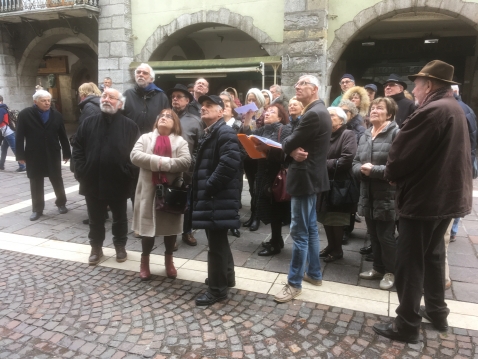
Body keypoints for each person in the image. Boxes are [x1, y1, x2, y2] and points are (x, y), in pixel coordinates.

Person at [373, 60, 473, 343]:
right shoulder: (453, 107)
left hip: (426, 200)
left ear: (428, 85)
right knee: (432, 257)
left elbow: (401, 156)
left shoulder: (431, 110)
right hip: (445, 198)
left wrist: (391, 175)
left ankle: (406, 324)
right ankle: (437, 312)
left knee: (410, 262)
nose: (413, 91)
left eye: (416, 85)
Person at [273, 75, 331, 303]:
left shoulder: (313, 114)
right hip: (311, 177)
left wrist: (290, 148)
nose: (297, 86)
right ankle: (314, 274)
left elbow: (286, 142)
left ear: (315, 88)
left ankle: (294, 283)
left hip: (305, 177)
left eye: (302, 84)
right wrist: (293, 149)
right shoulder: (319, 110)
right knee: (310, 229)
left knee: (299, 233)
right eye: (296, 84)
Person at [72, 88, 140, 265]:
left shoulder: (130, 125)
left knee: (120, 217)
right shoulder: (88, 123)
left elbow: (137, 153)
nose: (106, 99)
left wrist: (128, 172)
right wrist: (81, 170)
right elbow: (77, 147)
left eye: (111, 97)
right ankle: (96, 248)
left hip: (119, 180)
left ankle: (120, 246)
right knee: (95, 218)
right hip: (92, 179)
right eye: (104, 96)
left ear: (120, 104)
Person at [191, 95, 241, 306]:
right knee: (218, 241)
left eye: (209, 106)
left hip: (216, 197)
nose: (203, 109)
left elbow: (229, 164)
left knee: (216, 246)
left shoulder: (225, 132)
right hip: (216, 198)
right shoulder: (213, 131)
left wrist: (209, 186)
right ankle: (226, 277)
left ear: (221, 112)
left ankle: (217, 290)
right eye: (202, 106)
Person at [131, 108, 191, 280]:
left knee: (170, 228)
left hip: (171, 192)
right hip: (148, 191)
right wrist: (160, 161)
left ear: (175, 124)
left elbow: (185, 162)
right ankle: (144, 262)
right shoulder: (145, 138)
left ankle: (169, 261)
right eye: (161, 116)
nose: (164, 118)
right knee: (147, 229)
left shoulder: (180, 142)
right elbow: (134, 156)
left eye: (169, 116)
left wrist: (157, 162)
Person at [352, 97, 399, 290]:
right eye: (372, 107)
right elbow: (355, 162)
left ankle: (391, 272)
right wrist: (360, 171)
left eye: (379, 108)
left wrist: (375, 171)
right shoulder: (365, 134)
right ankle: (378, 268)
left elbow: (398, 166)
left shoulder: (397, 133)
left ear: (389, 114)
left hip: (387, 194)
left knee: (386, 236)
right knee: (373, 234)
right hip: (367, 192)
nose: (374, 110)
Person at [241, 103, 292, 256]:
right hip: (263, 173)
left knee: (275, 210)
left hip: (276, 175)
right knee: (268, 208)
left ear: (280, 117)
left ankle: (276, 243)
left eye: (272, 111)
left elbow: (285, 152)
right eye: (266, 111)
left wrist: (267, 149)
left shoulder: (285, 129)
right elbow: (247, 136)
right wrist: (247, 119)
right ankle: (277, 239)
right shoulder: (262, 129)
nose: (267, 113)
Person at [15, 90, 70, 221]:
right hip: (34, 153)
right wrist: (20, 155)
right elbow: (19, 135)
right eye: (43, 101)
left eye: (48, 101)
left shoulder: (56, 115)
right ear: (35, 102)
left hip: (52, 152)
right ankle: (37, 209)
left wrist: (67, 153)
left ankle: (61, 203)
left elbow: (63, 135)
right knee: (35, 181)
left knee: (56, 178)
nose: (47, 103)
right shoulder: (25, 114)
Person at [317, 107, 357, 262]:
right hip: (325, 181)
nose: (327, 117)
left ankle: (338, 250)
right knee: (326, 217)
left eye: (331, 115)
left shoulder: (348, 134)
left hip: (340, 183)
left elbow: (347, 159)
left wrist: (323, 164)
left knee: (337, 219)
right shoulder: (325, 135)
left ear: (341, 119)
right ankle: (330, 246)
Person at [167, 84, 204, 247]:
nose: (175, 99)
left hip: (187, 171)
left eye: (179, 96)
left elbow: (200, 146)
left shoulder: (195, 121)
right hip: (167, 169)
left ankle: (186, 231)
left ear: (187, 100)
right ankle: (171, 234)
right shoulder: (164, 117)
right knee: (169, 203)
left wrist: (192, 161)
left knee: (187, 204)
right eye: (173, 96)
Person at [72, 82, 104, 226]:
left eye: (80, 92)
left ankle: (96, 216)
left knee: (90, 185)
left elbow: (87, 131)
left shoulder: (89, 107)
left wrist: (75, 139)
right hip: (99, 149)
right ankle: (101, 213)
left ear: (83, 93)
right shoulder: (98, 103)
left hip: (90, 151)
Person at [242, 88, 267, 232]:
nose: (251, 102)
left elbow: (260, 135)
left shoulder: (264, 114)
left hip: (259, 155)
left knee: (258, 187)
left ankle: (257, 217)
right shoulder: (245, 115)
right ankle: (252, 215)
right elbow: (242, 132)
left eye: (254, 100)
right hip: (247, 155)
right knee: (251, 187)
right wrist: (246, 120)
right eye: (249, 100)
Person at [123, 63, 169, 135]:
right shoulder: (127, 95)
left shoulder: (161, 97)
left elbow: (167, 120)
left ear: (151, 79)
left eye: (145, 73)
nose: (141, 74)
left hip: (153, 139)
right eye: (138, 72)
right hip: (131, 139)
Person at [0, 96, 26, 172]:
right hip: (6, 132)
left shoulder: (1, 109)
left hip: (8, 132)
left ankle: (23, 166)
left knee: (15, 148)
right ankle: (1, 165)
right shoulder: (4, 108)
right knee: (4, 149)